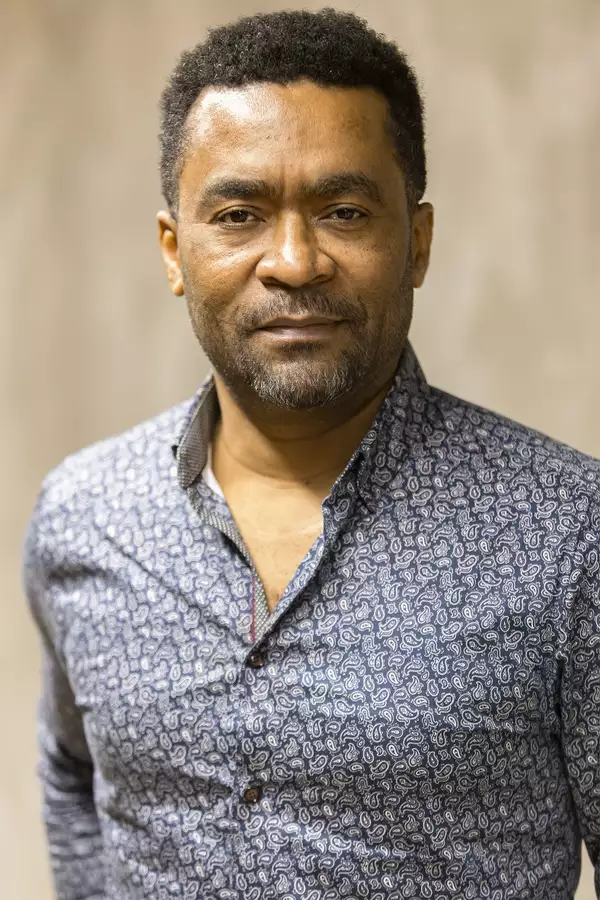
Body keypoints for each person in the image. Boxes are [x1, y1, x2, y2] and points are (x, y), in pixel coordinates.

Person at [22, 8, 600, 900]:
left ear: (417, 242)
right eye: (240, 213)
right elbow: (74, 778)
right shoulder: (84, 516)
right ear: (176, 251)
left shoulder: (568, 536)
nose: (293, 261)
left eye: (342, 210)